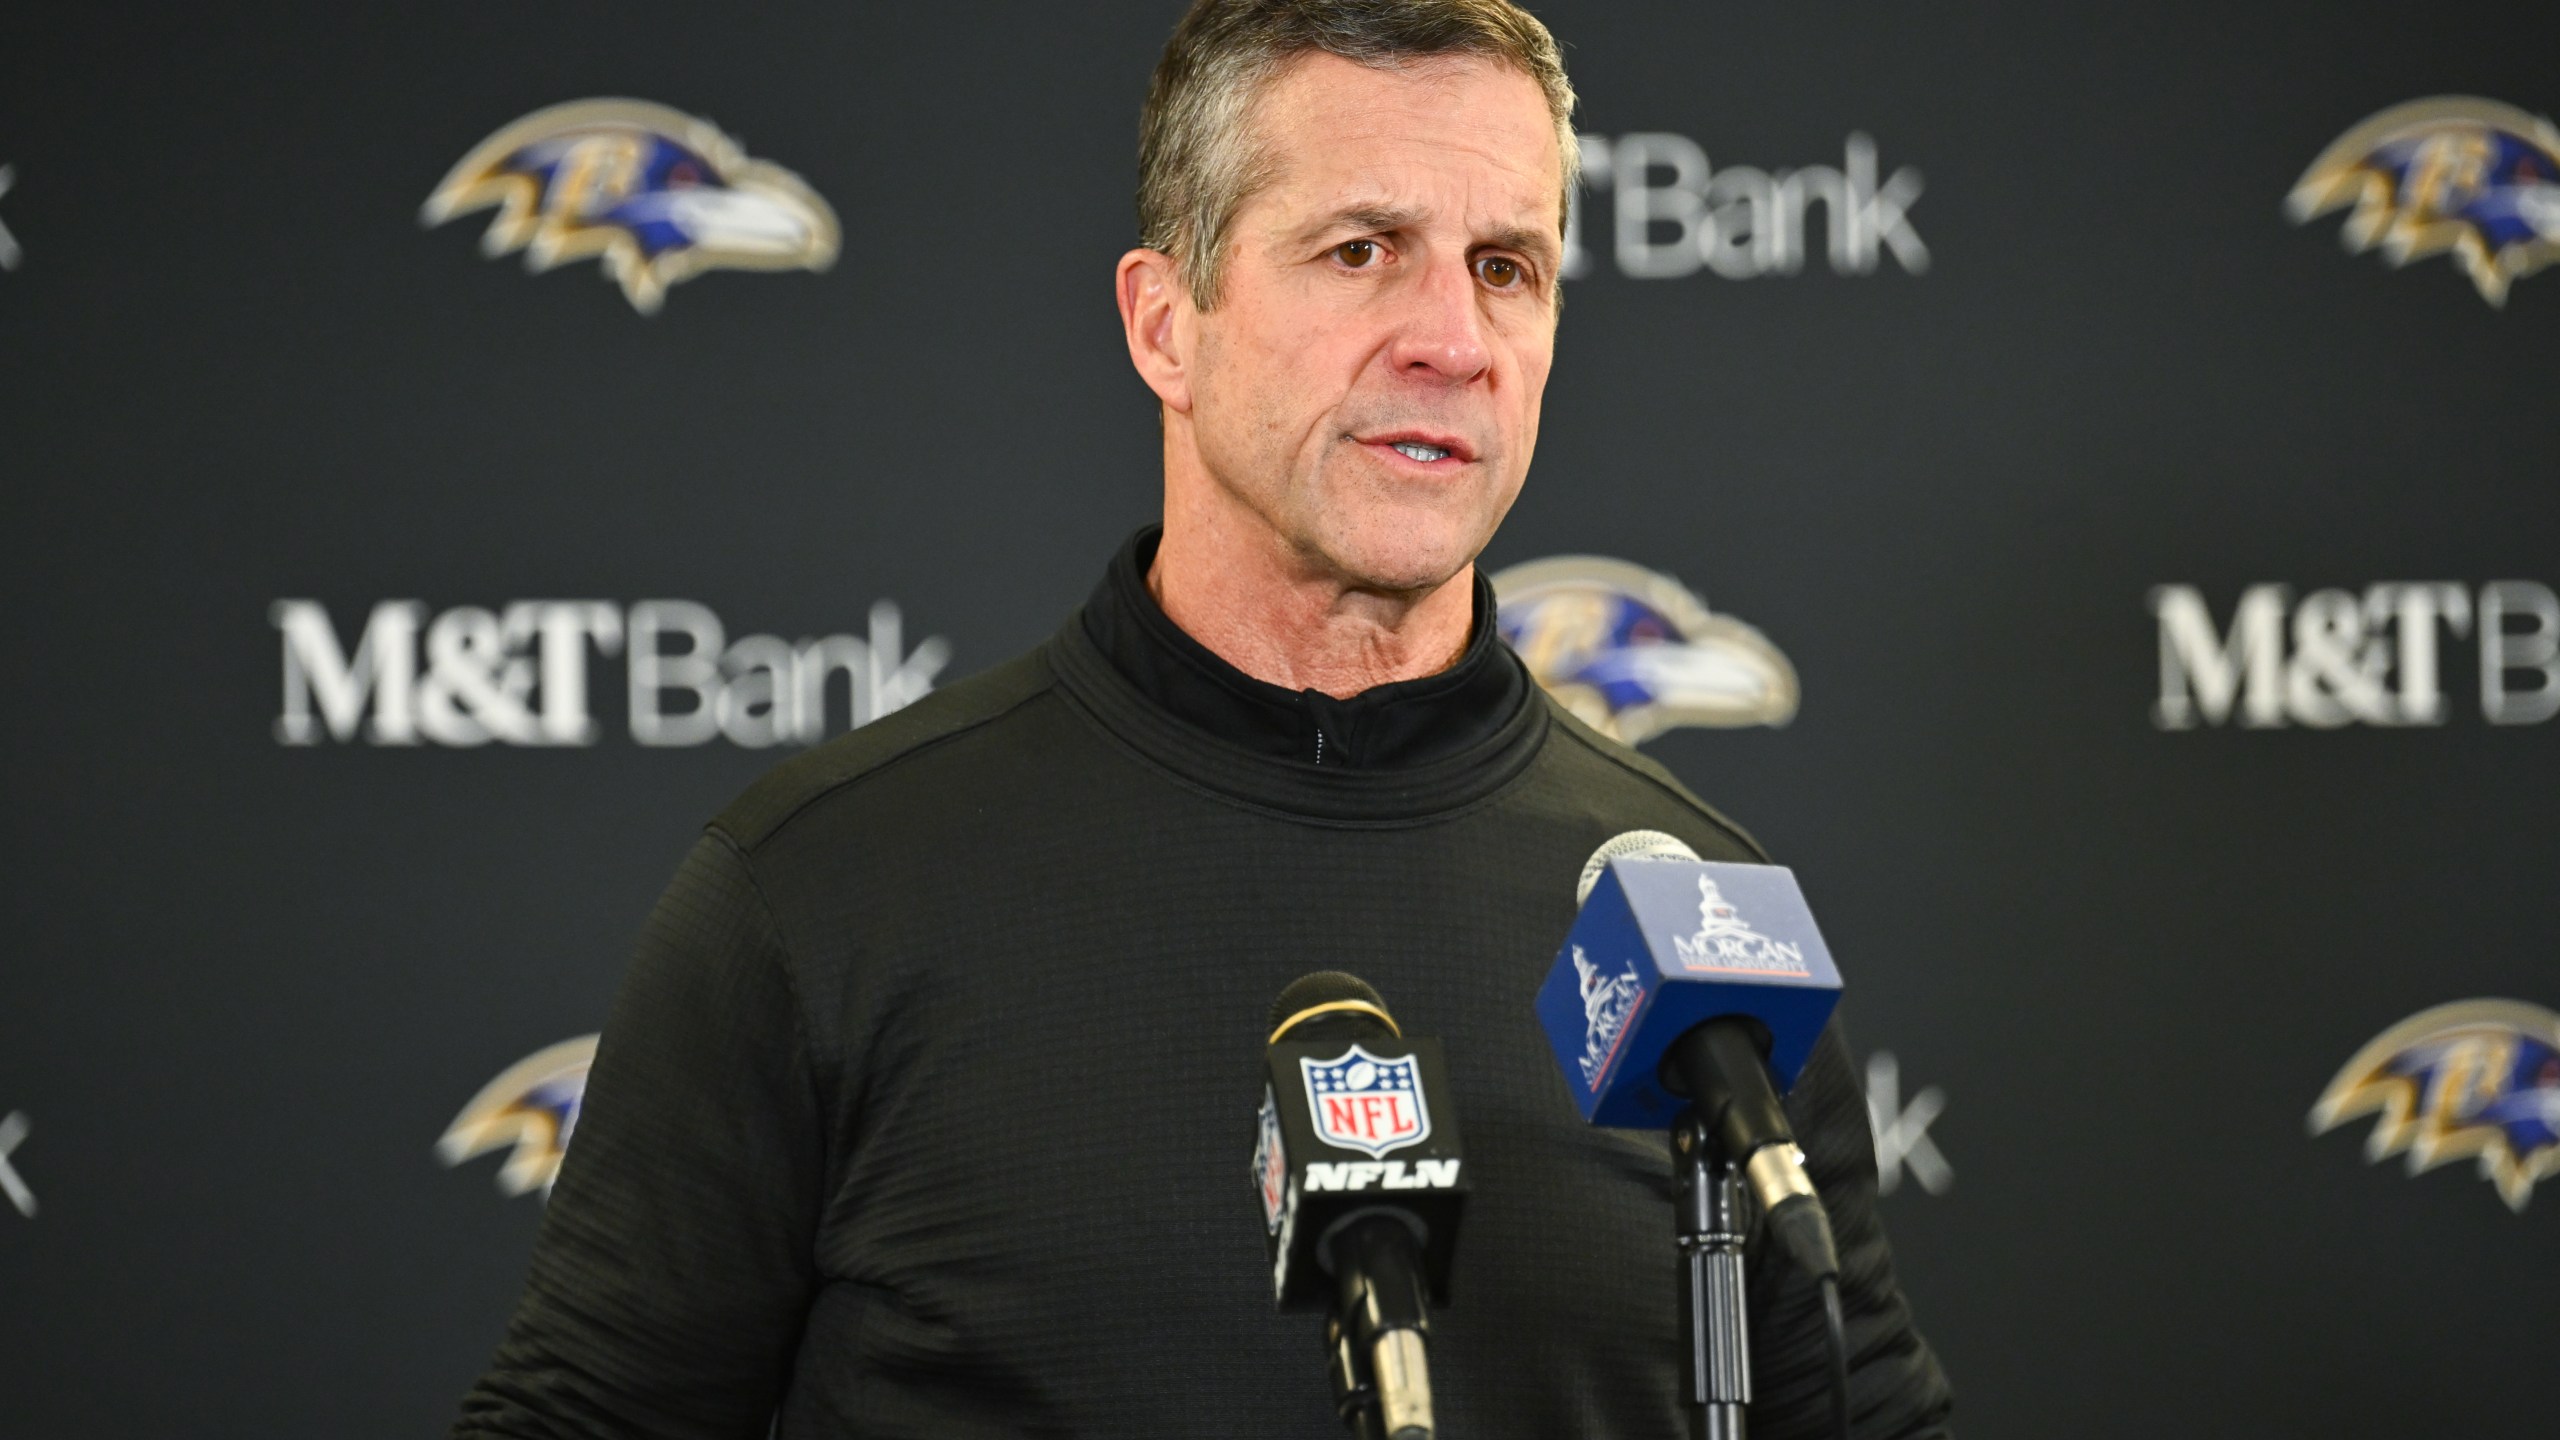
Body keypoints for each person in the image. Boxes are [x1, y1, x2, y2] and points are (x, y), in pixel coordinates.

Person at [454, 2, 1955, 1436]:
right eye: (1363, 250)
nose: (1453, 337)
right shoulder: (820, 893)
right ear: (1167, 325)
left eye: (1508, 266)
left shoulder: (1688, 920)